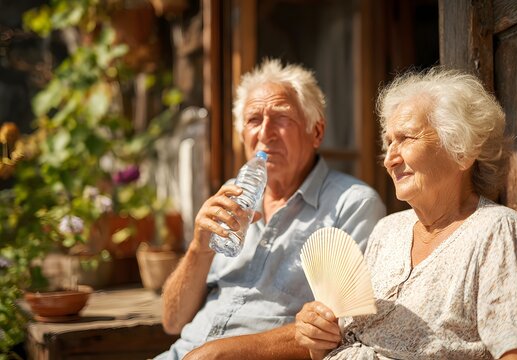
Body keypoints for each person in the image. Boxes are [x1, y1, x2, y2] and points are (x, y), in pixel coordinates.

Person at [295, 67, 517, 359]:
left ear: (461, 151)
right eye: (388, 144)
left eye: (407, 138)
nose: (389, 159)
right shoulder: (387, 231)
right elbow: (341, 342)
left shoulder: (496, 230)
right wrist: (319, 336)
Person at [156, 59, 386, 359]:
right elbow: (172, 322)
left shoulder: (352, 204)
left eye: (281, 117)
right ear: (242, 136)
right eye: (254, 120)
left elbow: (345, 325)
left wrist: (221, 354)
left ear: (316, 132)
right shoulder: (231, 196)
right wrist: (199, 248)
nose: (265, 133)